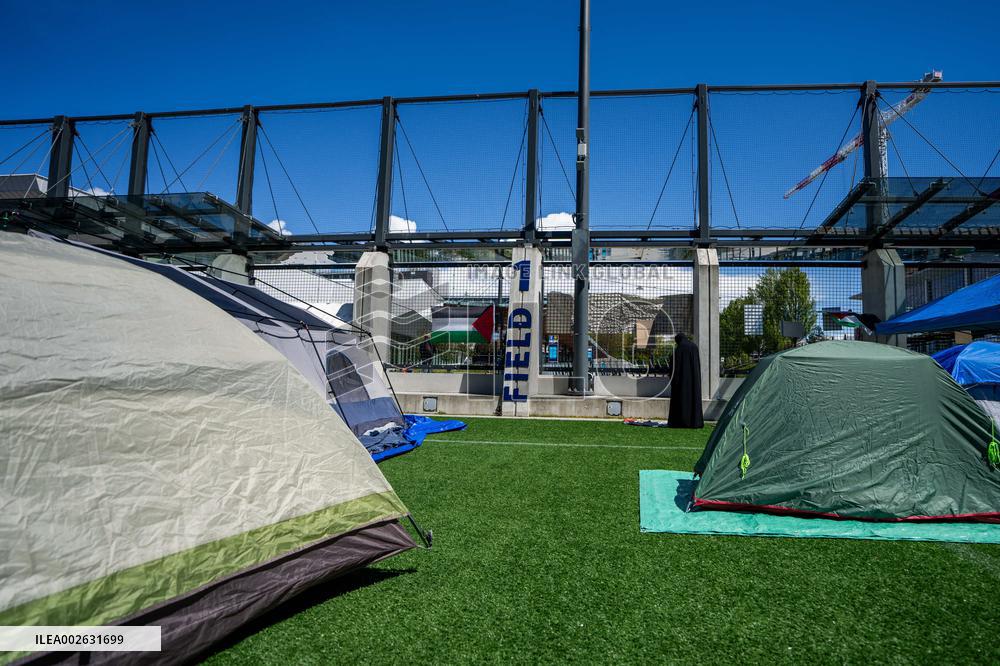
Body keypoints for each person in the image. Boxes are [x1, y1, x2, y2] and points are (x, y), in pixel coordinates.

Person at [668, 333, 704, 428]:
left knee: (681, 400)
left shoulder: (678, 349)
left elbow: (674, 367)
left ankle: (681, 422)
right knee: (694, 399)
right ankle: (695, 422)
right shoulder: (694, 347)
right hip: (694, 381)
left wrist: (673, 380)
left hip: (681, 383)